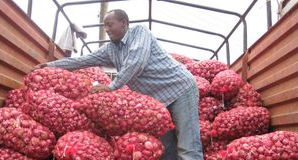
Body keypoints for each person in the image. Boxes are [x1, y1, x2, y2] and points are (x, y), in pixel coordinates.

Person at [35, 9, 203, 160]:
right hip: (159, 103)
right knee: (167, 150)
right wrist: (51, 65)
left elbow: (136, 61)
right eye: (104, 26)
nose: (106, 30)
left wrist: (112, 86)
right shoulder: (110, 49)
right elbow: (83, 60)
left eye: (109, 25)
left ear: (124, 23)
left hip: (180, 89)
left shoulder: (140, 32)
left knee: (188, 148)